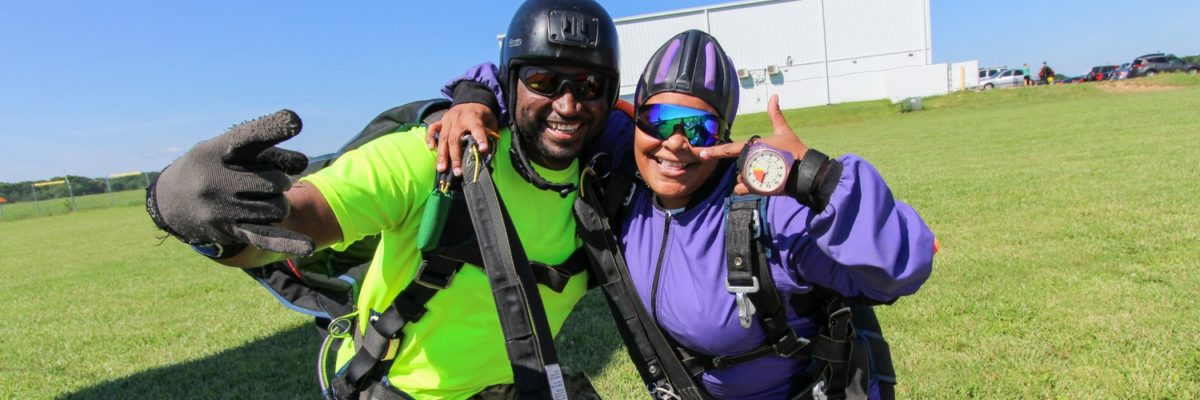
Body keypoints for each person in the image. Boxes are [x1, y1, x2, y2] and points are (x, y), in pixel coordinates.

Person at [144, 0, 623, 398]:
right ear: (512, 81)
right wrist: (202, 222)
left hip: (516, 387)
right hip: (400, 390)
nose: (567, 104)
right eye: (543, 82)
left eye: (588, 86)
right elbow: (301, 218)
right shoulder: (436, 155)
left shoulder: (603, 180)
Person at [434, 30, 935, 399]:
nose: (674, 142)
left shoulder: (768, 211)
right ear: (633, 118)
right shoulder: (624, 164)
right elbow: (541, 88)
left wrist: (817, 179)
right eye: (658, 119)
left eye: (698, 128)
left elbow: (903, 265)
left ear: (724, 135)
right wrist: (476, 99)